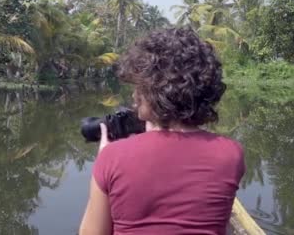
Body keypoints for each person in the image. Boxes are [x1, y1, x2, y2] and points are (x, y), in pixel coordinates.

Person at [79, 28, 245, 235]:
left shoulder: (113, 157)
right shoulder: (231, 154)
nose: (134, 95)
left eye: (139, 86)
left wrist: (104, 161)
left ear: (156, 91)